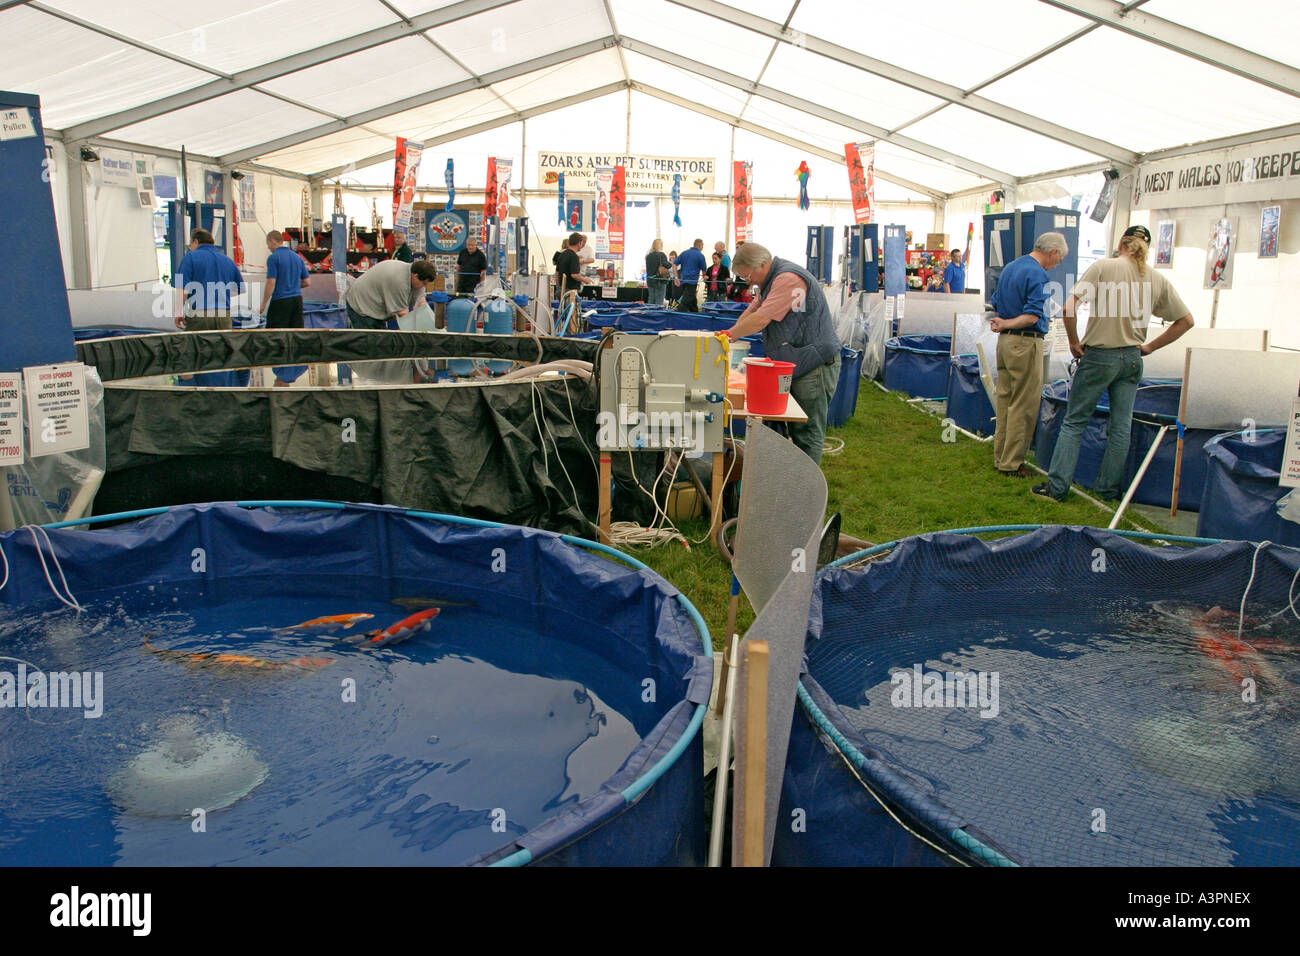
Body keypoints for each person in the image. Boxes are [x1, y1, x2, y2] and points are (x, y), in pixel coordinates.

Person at [1033, 225, 1194, 503]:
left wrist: (1074, 342)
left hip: (1099, 356)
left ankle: (1057, 488)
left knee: (1074, 422)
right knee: (1121, 427)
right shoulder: (1155, 278)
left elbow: (1069, 308)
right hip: (1132, 358)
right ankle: (1107, 491)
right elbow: (1186, 321)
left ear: (1121, 244)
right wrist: (1150, 347)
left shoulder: (1103, 267)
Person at [725, 242, 842, 464]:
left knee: (807, 433)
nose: (748, 282)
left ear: (762, 264)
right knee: (796, 430)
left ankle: (806, 492)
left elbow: (761, 318)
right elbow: (753, 310)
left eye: (748, 276)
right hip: (799, 362)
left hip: (813, 365)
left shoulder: (787, 278)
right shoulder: (772, 281)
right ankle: (794, 481)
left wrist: (729, 337)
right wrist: (728, 335)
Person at [989, 231, 1068, 477]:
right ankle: (1012, 463)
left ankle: (1001, 456)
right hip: (1024, 342)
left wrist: (1002, 323)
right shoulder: (1038, 274)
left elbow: (995, 301)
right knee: (1023, 405)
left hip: (1004, 344)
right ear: (1052, 252)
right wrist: (1009, 323)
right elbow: (1033, 315)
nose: (1058, 263)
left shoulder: (1012, 267)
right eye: (1060, 258)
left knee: (1005, 401)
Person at [173, 228, 244, 331]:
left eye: (190, 245)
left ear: (196, 241)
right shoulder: (227, 260)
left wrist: (178, 313)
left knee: (195, 346)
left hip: (200, 315)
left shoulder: (190, 257)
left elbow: (182, 289)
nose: (190, 248)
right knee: (222, 346)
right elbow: (239, 289)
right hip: (224, 315)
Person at [344, 258, 438, 329]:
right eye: (424, 283)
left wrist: (431, 325)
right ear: (415, 276)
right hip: (362, 304)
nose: (424, 287)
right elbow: (403, 315)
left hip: (378, 305)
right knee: (370, 343)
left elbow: (421, 305)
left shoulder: (418, 276)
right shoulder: (399, 281)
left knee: (381, 340)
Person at [259, 230, 311, 329]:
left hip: (280, 301)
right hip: (297, 301)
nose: (268, 247)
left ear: (272, 241)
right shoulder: (297, 257)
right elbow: (307, 282)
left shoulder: (273, 258)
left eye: (268, 244)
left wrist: (263, 304)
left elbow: (271, 283)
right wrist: (293, 284)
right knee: (296, 334)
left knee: (275, 335)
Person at [674, 239, 708, 313]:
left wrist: (676, 277)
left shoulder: (684, 253)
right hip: (692, 282)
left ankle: (695, 313)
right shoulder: (700, 255)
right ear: (700, 245)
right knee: (685, 302)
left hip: (683, 281)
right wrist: (705, 279)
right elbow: (704, 270)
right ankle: (676, 314)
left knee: (692, 300)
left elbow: (674, 264)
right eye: (702, 245)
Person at [555, 232, 586, 303]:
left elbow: (557, 273)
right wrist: (584, 279)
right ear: (579, 243)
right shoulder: (574, 256)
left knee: (563, 311)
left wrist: (558, 288)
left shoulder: (562, 255)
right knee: (570, 312)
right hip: (570, 291)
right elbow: (574, 275)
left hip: (562, 290)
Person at [645, 239, 671, 306]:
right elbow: (667, 265)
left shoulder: (648, 256)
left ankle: (650, 314)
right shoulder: (661, 255)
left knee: (651, 299)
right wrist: (672, 263)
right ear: (660, 245)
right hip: (659, 280)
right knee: (659, 300)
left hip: (650, 280)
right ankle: (657, 315)